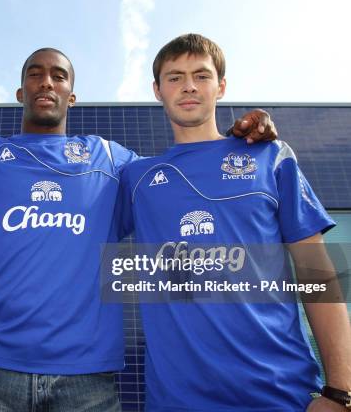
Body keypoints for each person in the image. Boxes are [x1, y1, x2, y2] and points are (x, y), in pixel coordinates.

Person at [0, 48, 277, 411]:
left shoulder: (111, 161)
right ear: (21, 92)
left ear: (71, 96)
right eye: (36, 74)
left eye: (58, 76)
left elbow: (181, 179)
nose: (47, 82)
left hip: (88, 381)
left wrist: (239, 140)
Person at [118, 34, 351, 411]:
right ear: (157, 90)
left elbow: (319, 276)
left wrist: (341, 391)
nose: (189, 86)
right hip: (177, 402)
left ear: (221, 86)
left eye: (201, 75)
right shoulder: (137, 178)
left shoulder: (269, 156)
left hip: (281, 395)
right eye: (175, 77)